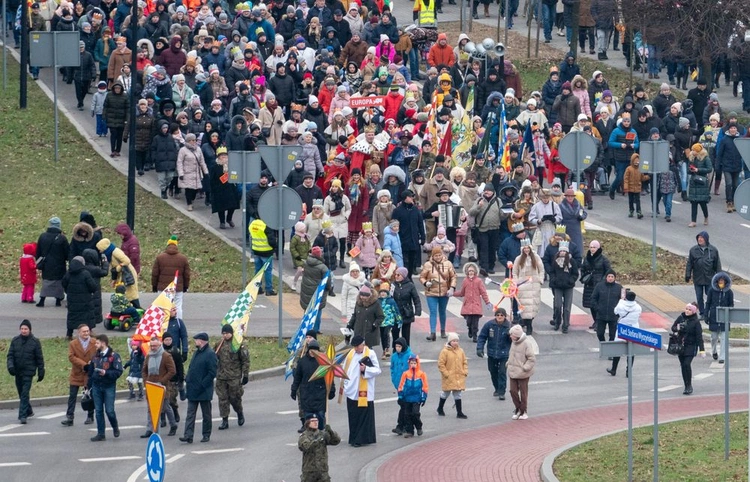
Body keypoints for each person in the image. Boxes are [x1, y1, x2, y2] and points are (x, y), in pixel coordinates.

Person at [341, 334, 382, 447]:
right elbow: (345, 369)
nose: (355, 349)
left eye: (357, 346)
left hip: (364, 390)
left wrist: (366, 369)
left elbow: (377, 370)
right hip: (352, 389)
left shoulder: (370, 354)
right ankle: (354, 437)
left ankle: (361, 439)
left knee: (363, 416)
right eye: (354, 347)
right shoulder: (350, 353)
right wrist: (344, 383)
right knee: (353, 415)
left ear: (362, 344)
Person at [180, 332, 218, 444]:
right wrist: (188, 379)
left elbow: (212, 372)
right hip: (193, 389)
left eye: (196, 340)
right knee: (190, 414)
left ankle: (206, 434)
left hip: (203, 390)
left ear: (201, 341)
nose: (195, 342)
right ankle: (188, 435)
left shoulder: (210, 354)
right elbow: (193, 368)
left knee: (206, 414)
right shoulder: (197, 353)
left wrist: (202, 384)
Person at [291, 339, 336, 428]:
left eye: (315, 350)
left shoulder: (324, 362)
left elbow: (330, 377)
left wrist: (332, 390)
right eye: (312, 350)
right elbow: (297, 378)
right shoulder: (302, 362)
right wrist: (293, 389)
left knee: (320, 417)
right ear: (308, 350)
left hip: (320, 394)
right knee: (309, 418)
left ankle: (321, 436)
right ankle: (310, 436)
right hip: (306, 394)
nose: (313, 352)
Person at [7, 320, 44, 424]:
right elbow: (10, 356)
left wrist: (41, 371)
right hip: (18, 372)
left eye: (26, 329)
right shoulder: (15, 340)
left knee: (24, 393)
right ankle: (29, 410)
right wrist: (10, 366)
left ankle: (22, 415)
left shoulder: (35, 342)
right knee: (20, 392)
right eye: (22, 329)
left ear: (30, 330)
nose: (23, 331)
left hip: (28, 372)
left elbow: (39, 358)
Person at [140, 336, 178, 438]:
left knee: (165, 407)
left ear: (160, 345)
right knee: (150, 408)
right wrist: (146, 381)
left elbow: (172, 371)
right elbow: (144, 370)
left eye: (155, 346)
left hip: (162, 386)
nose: (152, 348)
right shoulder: (149, 356)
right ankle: (150, 429)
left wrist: (162, 381)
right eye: (151, 346)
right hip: (151, 386)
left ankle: (173, 424)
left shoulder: (166, 356)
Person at [88, 334, 123, 441]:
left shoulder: (114, 356)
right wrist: (88, 386)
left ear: (103, 343)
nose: (95, 345)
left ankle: (115, 426)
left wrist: (106, 373)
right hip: (96, 386)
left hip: (109, 386)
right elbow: (90, 372)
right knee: (98, 410)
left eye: (97, 343)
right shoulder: (95, 356)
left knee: (109, 410)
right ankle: (101, 433)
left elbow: (118, 371)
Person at [215, 324, 250, 430]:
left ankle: (239, 412)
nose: (225, 335)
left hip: (234, 376)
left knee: (235, 398)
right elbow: (213, 358)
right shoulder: (218, 344)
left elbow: (245, 360)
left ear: (231, 333)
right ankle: (224, 420)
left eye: (227, 333)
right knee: (222, 399)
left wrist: (245, 375)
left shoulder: (237, 344)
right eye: (223, 333)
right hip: (221, 376)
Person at [61, 324, 96, 427]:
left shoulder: (94, 342)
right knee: (72, 396)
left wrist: (92, 363)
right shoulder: (73, 343)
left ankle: (90, 415)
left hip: (89, 373)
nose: (86, 333)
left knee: (89, 395)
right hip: (77, 373)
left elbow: (98, 354)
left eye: (87, 331)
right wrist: (84, 365)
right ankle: (70, 417)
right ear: (79, 333)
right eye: (83, 331)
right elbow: (71, 357)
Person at [420, 247, 457, 341]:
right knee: (433, 312)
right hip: (431, 292)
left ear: (442, 255)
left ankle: (443, 330)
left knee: (442, 311)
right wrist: (425, 283)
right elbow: (422, 277)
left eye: (439, 255)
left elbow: (453, 277)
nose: (438, 257)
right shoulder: (428, 265)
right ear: (432, 256)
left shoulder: (448, 264)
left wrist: (452, 288)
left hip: (444, 292)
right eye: (436, 255)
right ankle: (433, 332)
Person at [152, 235, 192, 319]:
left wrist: (154, 286)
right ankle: (178, 323)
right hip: (177, 287)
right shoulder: (183, 258)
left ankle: (162, 323)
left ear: (167, 246)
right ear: (176, 246)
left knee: (162, 306)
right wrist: (185, 286)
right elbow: (187, 275)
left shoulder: (160, 258)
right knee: (177, 306)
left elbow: (155, 274)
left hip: (163, 287)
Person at [476, 308, 512, 400]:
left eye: (502, 315)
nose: (500, 317)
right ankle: (497, 388)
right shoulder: (489, 325)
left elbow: (515, 340)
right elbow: (482, 337)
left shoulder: (509, 326)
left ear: (505, 316)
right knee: (493, 371)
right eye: (498, 315)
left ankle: (502, 391)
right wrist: (480, 348)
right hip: (492, 353)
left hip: (504, 354)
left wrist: (510, 335)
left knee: (502, 373)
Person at [671, 303, 705, 395]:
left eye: (689, 310)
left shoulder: (696, 322)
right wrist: (677, 328)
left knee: (687, 364)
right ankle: (686, 385)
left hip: (691, 346)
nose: (687, 311)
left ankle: (689, 385)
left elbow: (699, 337)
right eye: (686, 309)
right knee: (682, 365)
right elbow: (673, 327)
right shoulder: (681, 317)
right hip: (680, 345)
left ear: (693, 311)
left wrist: (702, 350)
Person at [35, 216, 70, 308]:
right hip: (59, 264)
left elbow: (38, 250)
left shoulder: (42, 236)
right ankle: (58, 300)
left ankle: (42, 299)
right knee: (58, 282)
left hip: (46, 264)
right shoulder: (62, 238)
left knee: (46, 281)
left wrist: (38, 260)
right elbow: (67, 252)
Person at [685, 231, 721, 317]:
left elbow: (717, 265)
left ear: (706, 239)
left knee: (710, 296)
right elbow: (689, 263)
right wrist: (687, 274)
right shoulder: (693, 250)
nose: (700, 239)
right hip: (698, 278)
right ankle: (702, 312)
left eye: (702, 238)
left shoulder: (713, 250)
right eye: (699, 238)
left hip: (710, 278)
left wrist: (719, 277)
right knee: (699, 296)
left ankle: (709, 312)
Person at [61, 256, 98, 339]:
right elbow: (92, 286)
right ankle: (89, 330)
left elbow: (63, 283)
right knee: (87, 315)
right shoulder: (85, 273)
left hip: (72, 300)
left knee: (72, 315)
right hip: (85, 299)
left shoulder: (68, 273)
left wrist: (68, 291)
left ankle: (69, 333)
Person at [453, 262, 492, 342]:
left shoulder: (478, 281)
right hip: (467, 305)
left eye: (472, 271)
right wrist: (453, 293)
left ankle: (475, 335)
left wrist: (487, 302)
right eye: (469, 271)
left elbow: (483, 292)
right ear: (467, 272)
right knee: (469, 321)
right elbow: (462, 293)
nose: (471, 272)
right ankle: (469, 329)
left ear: (475, 272)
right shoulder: (465, 281)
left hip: (476, 305)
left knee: (475, 322)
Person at [513, 239, 545, 335]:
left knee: (533, 306)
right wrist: (516, 282)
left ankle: (528, 322)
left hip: (534, 285)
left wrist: (540, 280)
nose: (526, 250)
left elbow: (541, 269)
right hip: (522, 286)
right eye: (525, 248)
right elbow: (514, 272)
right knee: (525, 307)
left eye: (528, 248)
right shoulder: (518, 259)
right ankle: (528, 325)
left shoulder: (536, 257)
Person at [607, 290, 642, 376]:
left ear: (626, 297)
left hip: (622, 329)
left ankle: (614, 369)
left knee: (618, 350)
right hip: (633, 329)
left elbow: (616, 311)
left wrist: (621, 300)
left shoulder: (621, 305)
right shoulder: (638, 307)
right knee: (631, 351)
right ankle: (628, 371)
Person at [298, 413, 340, 482]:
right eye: (313, 421)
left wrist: (331, 432)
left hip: (322, 470)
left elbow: (336, 441)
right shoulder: (304, 436)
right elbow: (306, 447)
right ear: (308, 422)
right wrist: (318, 440)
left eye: (317, 421)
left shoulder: (322, 433)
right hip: (309, 472)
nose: (315, 422)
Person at [548, 242, 579, 333]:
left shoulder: (571, 261)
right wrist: (553, 279)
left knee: (567, 307)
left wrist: (572, 280)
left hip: (568, 286)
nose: (562, 252)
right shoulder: (555, 260)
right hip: (558, 286)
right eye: (561, 251)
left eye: (564, 251)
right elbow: (552, 271)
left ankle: (565, 324)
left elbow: (575, 273)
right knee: (558, 305)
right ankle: (557, 322)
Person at [580, 240, 611, 330]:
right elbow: (582, 268)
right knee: (591, 304)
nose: (592, 249)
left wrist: (603, 281)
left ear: (598, 248)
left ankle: (599, 322)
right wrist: (584, 277)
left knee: (598, 304)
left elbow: (608, 271)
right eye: (591, 247)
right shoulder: (586, 258)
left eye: (594, 247)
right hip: (589, 284)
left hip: (599, 285)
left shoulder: (603, 259)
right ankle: (595, 321)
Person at [507, 323, 536, 420]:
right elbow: (512, 355)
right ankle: (518, 408)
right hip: (513, 371)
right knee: (512, 391)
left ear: (516, 336)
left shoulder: (526, 343)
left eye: (512, 335)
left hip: (523, 373)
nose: (510, 336)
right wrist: (508, 363)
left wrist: (525, 368)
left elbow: (531, 358)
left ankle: (523, 411)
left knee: (523, 393)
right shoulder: (513, 342)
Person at [437, 332, 468, 419]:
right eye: (453, 341)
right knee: (445, 393)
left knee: (458, 394)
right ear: (450, 342)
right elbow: (441, 364)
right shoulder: (444, 352)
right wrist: (446, 374)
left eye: (457, 341)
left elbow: (464, 362)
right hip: (449, 377)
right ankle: (440, 408)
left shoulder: (461, 351)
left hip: (459, 376)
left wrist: (465, 371)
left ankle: (459, 412)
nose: (455, 343)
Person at [397, 355, 429, 438]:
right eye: (411, 363)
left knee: (415, 413)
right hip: (407, 398)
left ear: (417, 363)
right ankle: (410, 431)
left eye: (415, 363)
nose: (413, 364)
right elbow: (401, 385)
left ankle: (419, 427)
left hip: (417, 397)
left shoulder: (421, 374)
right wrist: (400, 395)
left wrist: (423, 396)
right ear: (409, 364)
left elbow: (425, 386)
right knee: (407, 414)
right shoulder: (406, 374)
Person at [705, 272, 734, 364]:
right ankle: (714, 351)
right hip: (714, 317)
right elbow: (708, 303)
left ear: (725, 282)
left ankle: (722, 357)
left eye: (723, 281)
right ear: (717, 282)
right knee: (714, 337)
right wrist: (706, 314)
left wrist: (728, 313)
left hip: (725, 318)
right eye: (720, 281)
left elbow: (731, 305)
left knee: (724, 338)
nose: (721, 282)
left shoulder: (729, 292)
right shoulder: (711, 291)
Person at [300, 246, 330, 332]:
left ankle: (305, 327)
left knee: (307, 309)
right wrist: (328, 289)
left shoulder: (306, 263)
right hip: (318, 292)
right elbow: (327, 281)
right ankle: (315, 330)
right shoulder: (323, 267)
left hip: (306, 290)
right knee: (317, 311)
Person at [346, 285, 385, 350]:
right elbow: (355, 315)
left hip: (369, 331)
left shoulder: (376, 304)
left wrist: (375, 324)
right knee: (358, 349)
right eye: (361, 295)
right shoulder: (358, 302)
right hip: (359, 330)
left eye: (365, 296)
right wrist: (350, 324)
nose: (362, 297)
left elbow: (381, 316)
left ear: (369, 295)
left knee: (368, 350)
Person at [391, 267, 421, 346]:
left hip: (406, 313)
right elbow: (389, 298)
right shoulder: (393, 285)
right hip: (395, 313)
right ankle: (395, 351)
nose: (396, 276)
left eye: (399, 275)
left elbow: (416, 298)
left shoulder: (410, 285)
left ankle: (406, 351)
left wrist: (418, 310)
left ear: (403, 276)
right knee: (395, 333)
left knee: (406, 335)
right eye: (395, 274)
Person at [591, 269, 623, 342]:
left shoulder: (619, 287)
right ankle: (603, 345)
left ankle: (610, 349)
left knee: (613, 335)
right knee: (600, 333)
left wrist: (618, 312)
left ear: (615, 278)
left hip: (613, 316)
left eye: (612, 276)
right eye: (609, 276)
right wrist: (597, 308)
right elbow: (593, 298)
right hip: (601, 315)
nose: (610, 278)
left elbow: (623, 300)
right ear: (606, 277)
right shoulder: (599, 286)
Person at [249, 218, 278, 296]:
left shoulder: (253, 223)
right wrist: (275, 246)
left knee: (258, 270)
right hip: (266, 252)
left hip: (256, 250)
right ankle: (269, 289)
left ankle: (257, 288)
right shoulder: (266, 225)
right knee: (267, 271)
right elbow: (271, 240)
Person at [162, 332, 185, 424]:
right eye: (166, 340)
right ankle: (162, 418)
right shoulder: (160, 351)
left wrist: (181, 378)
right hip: (162, 379)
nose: (168, 342)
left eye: (169, 340)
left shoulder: (175, 351)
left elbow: (180, 365)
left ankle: (175, 412)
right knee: (162, 400)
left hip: (173, 379)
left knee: (171, 399)